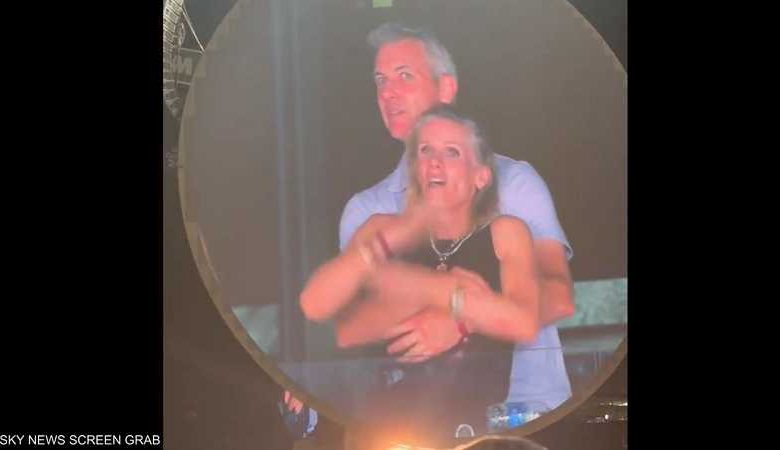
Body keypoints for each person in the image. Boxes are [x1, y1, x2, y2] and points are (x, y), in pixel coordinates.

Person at [284, 21, 574, 426]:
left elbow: (557, 295)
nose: (388, 92)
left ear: (446, 88)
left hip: (527, 413)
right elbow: (346, 327)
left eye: (405, 75)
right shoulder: (367, 211)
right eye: (380, 80)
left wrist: (461, 321)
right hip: (415, 424)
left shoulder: (515, 182)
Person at [301, 106, 544, 439]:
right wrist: (391, 239)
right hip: (379, 429)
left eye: (452, 152)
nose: (434, 162)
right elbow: (315, 304)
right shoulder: (381, 228)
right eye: (425, 150)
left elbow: (525, 320)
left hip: (470, 433)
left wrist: (459, 321)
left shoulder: (506, 232)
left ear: (481, 176)